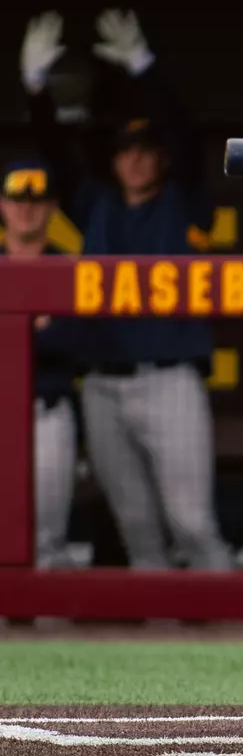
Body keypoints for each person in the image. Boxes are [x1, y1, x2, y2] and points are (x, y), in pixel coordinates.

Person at [20, 10, 230, 571]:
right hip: (104, 387)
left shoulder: (185, 203)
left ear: (159, 157)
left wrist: (144, 70)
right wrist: (36, 89)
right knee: (136, 527)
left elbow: (186, 137)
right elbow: (56, 153)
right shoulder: (97, 206)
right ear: (113, 160)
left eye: (145, 149)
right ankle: (163, 645)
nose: (135, 158)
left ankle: (236, 636)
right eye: (124, 150)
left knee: (191, 521)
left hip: (169, 379)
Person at [0, 161, 82, 570]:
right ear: (2, 204)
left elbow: (75, 343)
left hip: (47, 409)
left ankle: (51, 631)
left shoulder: (67, 268)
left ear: (52, 206)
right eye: (17, 200)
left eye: (35, 201)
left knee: (49, 537)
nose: (25, 210)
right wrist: (36, 327)